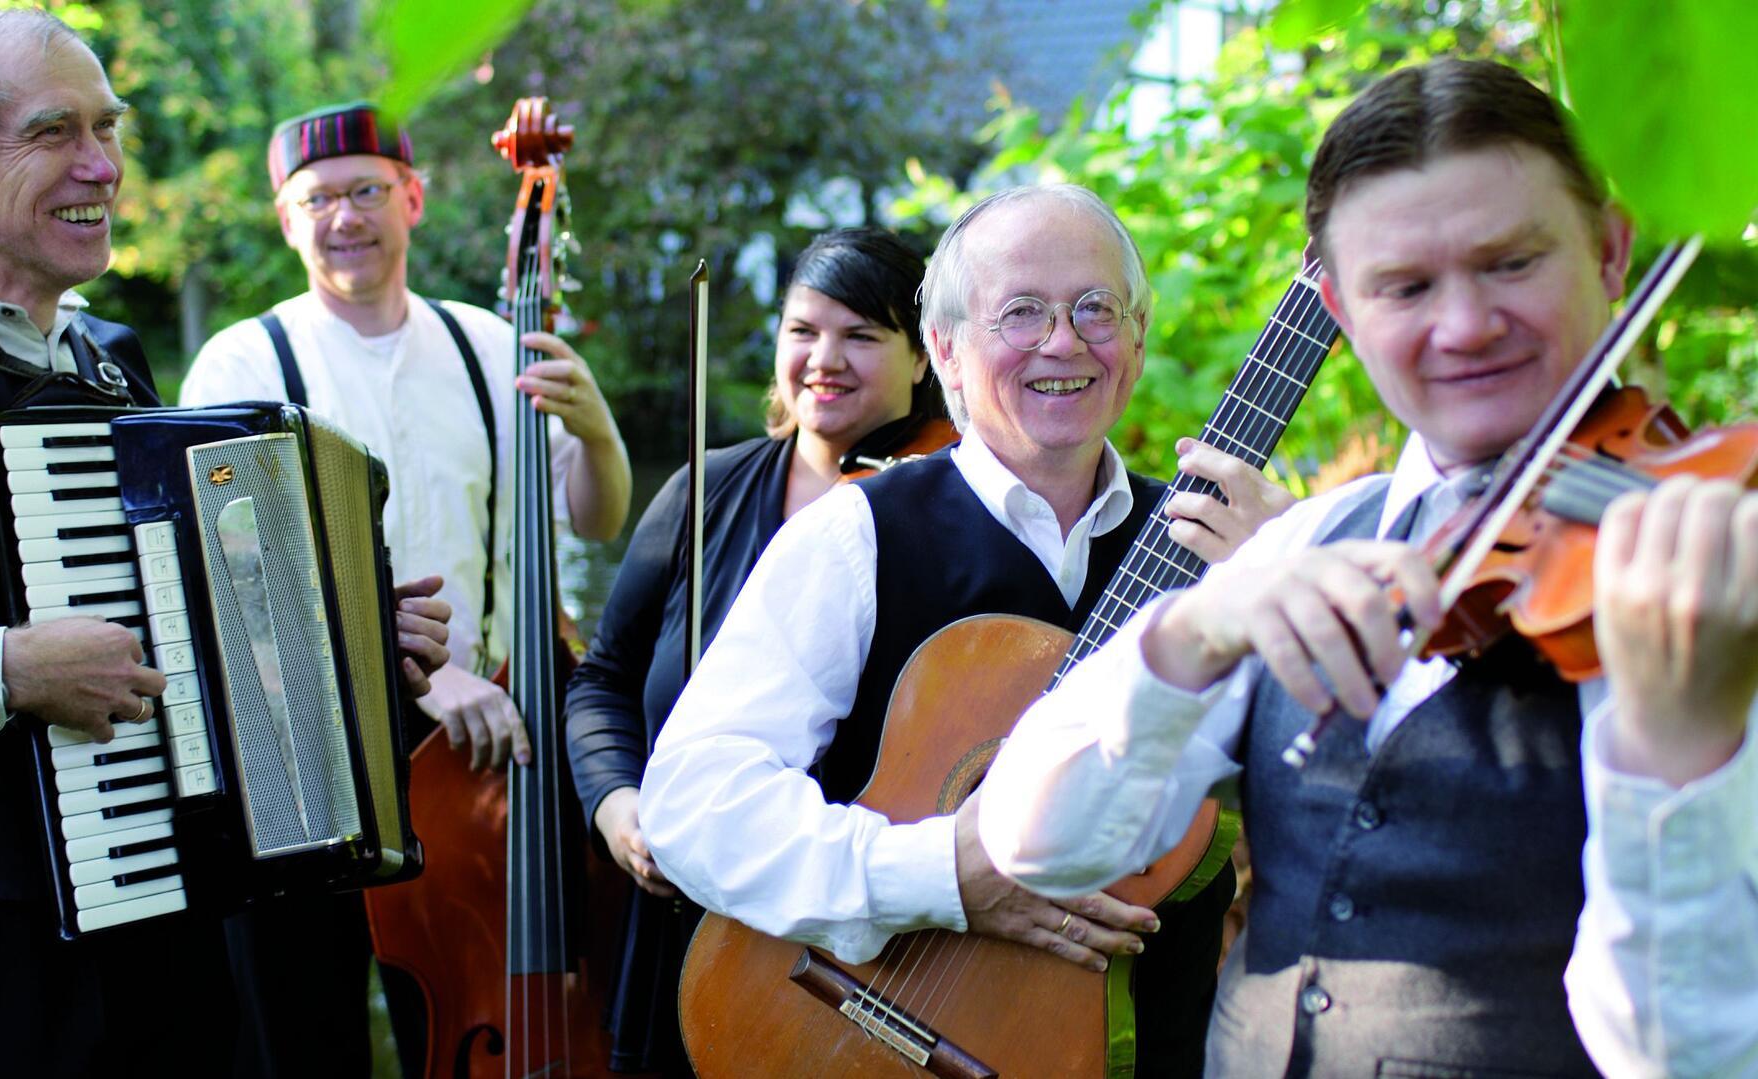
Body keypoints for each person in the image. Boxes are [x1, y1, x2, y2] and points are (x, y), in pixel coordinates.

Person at [977, 58, 1758, 1078]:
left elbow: (1699, 1057)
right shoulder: (1308, 543)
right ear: (1341, 311)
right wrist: (1190, 632)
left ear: (1611, 252)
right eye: (1406, 285)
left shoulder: (1714, 566)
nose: (1465, 323)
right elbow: (1039, 846)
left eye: (1512, 261)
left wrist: (1676, 748)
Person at [0, 12, 451, 1076]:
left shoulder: (105, 363)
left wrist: (343, 647)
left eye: (107, 128)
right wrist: (6, 668)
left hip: (167, 931)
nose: (104, 165)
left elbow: (189, 649)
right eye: (54, 133)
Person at [638, 186, 1298, 1075]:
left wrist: (1298, 586)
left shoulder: (1233, 553)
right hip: (858, 1027)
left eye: (1096, 309)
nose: (1063, 341)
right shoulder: (856, 533)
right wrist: (939, 872)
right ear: (944, 349)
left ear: (1137, 340)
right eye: (1021, 312)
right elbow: (692, 799)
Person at [180, 102, 633, 1076]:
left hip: (481, 745)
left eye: (366, 190)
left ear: (413, 199)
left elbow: (593, 518)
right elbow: (225, 579)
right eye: (319, 198)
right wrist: (400, 662)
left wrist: (596, 432)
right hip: (311, 752)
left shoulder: (486, 343)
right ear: (286, 219)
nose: (345, 215)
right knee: (307, 1031)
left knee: (473, 993)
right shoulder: (244, 360)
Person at [565, 226, 948, 1074]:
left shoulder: (943, 514)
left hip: (863, 948)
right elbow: (603, 680)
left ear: (923, 359)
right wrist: (620, 807)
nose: (825, 358)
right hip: (681, 922)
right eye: (804, 330)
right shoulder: (703, 491)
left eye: (862, 335)